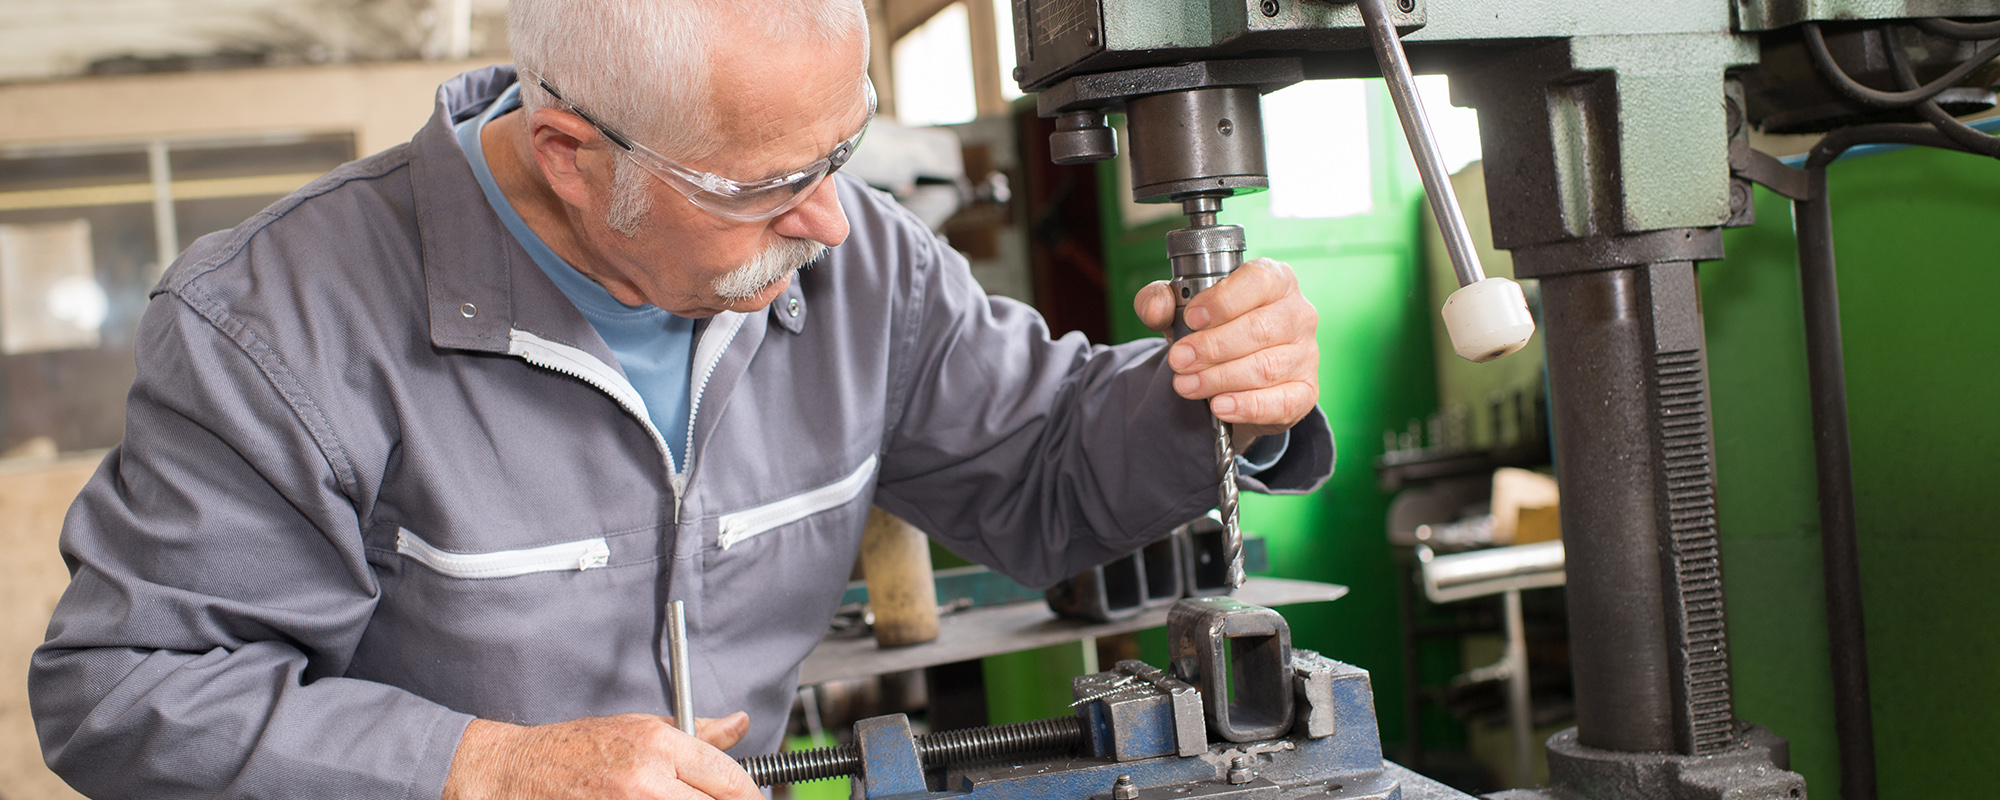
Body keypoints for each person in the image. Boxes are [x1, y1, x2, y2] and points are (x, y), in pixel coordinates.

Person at [30, 0, 1331, 797]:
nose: (832, 216)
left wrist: (1219, 396)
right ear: (572, 158)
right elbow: (128, 693)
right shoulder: (277, 324)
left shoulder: (855, 255)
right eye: (767, 183)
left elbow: (1046, 473)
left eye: (845, 149)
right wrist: (479, 771)